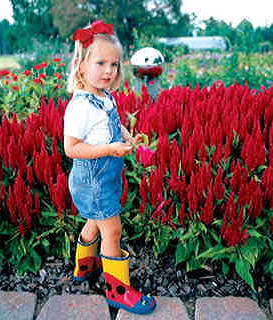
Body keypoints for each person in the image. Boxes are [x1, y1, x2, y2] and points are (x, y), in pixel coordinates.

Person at [63, 20, 156, 315]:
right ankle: (117, 290)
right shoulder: (79, 107)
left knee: (94, 221)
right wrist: (110, 149)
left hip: (106, 175)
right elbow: (72, 148)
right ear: (80, 65)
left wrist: (129, 137)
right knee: (112, 229)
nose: (109, 71)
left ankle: (84, 268)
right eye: (100, 63)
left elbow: (112, 127)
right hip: (92, 178)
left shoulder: (105, 98)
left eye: (114, 64)